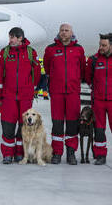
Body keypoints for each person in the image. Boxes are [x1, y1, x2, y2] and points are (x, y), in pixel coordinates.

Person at [0, 27, 41, 164]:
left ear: (20, 38)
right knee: (8, 125)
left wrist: (32, 89)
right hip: (8, 96)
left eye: (13, 37)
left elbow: (37, 71)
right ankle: (7, 155)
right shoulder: (5, 52)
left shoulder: (30, 52)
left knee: (24, 126)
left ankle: (20, 154)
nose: (10, 40)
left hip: (25, 96)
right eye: (9, 37)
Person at [43, 23, 86, 165]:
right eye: (61, 30)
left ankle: (71, 152)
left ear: (71, 32)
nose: (63, 32)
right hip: (57, 92)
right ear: (59, 32)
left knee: (72, 124)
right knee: (57, 124)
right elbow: (48, 68)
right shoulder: (51, 49)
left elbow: (82, 68)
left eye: (66, 30)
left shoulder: (79, 49)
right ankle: (57, 153)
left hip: (73, 92)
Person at [85, 33, 112, 165]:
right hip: (98, 101)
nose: (101, 47)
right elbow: (88, 77)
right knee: (99, 129)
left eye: (104, 45)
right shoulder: (93, 60)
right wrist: (95, 89)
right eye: (100, 45)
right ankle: (100, 155)